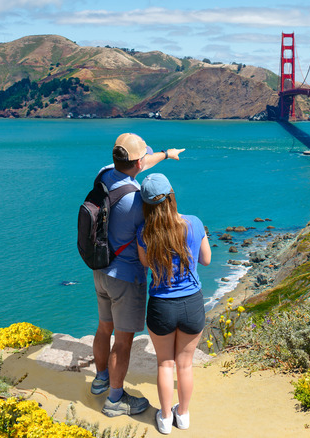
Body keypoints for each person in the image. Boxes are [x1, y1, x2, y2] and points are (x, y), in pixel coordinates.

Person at [91, 133, 185, 418]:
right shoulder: (138, 201)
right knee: (123, 341)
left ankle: (100, 380)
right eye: (144, 156)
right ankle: (115, 400)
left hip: (101, 268)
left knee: (103, 327)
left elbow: (140, 165)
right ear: (138, 161)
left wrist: (167, 154)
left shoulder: (104, 175)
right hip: (126, 277)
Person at [136, 173, 211, 434]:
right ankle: (184, 414)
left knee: (165, 364)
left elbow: (145, 263)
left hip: (161, 306)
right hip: (192, 303)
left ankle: (165, 418)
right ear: (171, 196)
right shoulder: (194, 223)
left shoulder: (144, 232)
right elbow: (207, 259)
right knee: (185, 365)